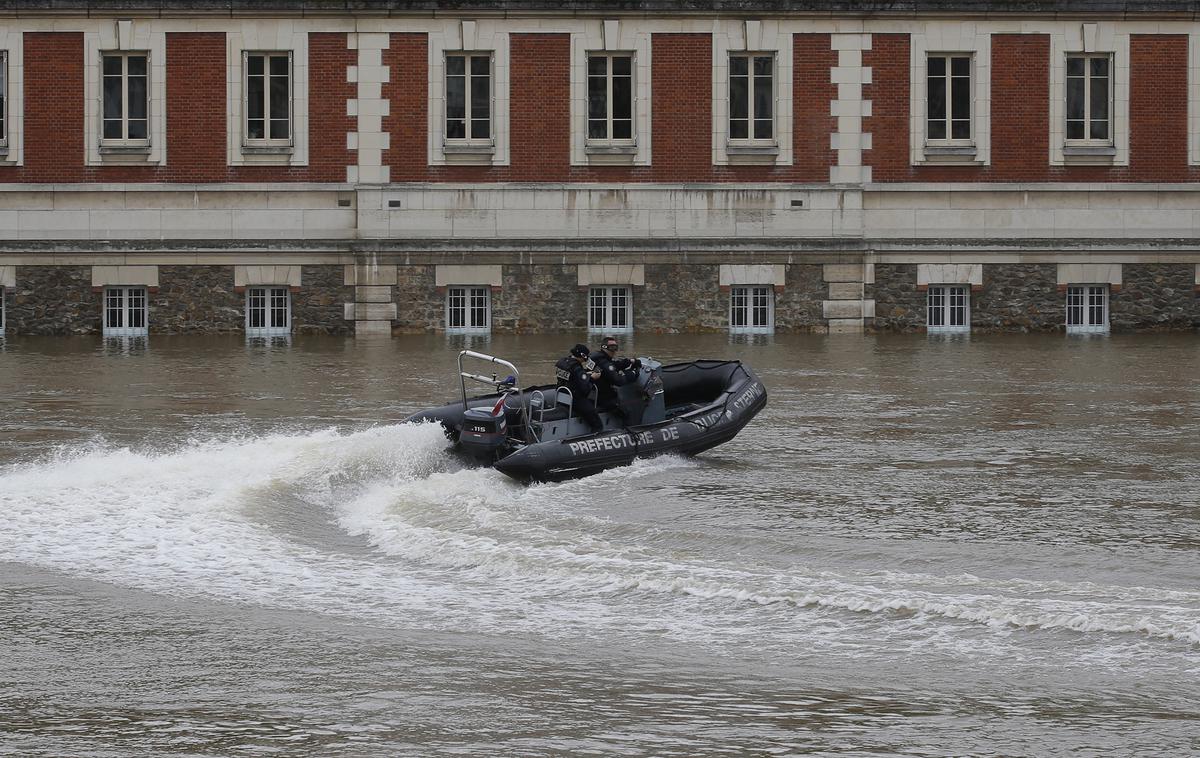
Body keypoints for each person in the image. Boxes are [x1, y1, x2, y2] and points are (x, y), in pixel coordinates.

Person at [554, 343, 604, 432]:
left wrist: (584, 374)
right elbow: (585, 389)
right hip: (574, 398)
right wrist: (592, 378)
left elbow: (571, 377)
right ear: (582, 355)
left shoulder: (563, 362)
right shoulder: (576, 367)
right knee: (596, 420)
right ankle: (596, 434)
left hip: (561, 395)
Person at [589, 336, 642, 419]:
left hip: (593, 393)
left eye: (616, 347)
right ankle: (631, 429)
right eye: (612, 347)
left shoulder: (597, 357)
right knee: (628, 412)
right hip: (603, 397)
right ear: (604, 347)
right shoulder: (604, 362)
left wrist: (630, 361)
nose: (615, 351)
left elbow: (613, 365)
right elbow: (618, 381)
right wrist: (633, 373)